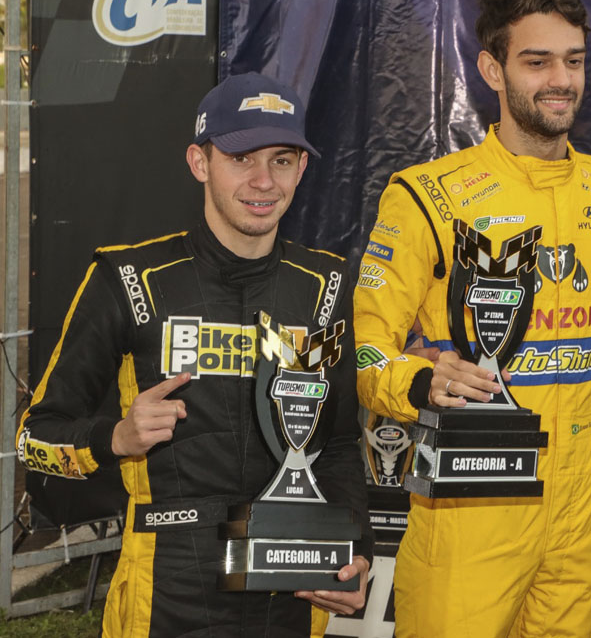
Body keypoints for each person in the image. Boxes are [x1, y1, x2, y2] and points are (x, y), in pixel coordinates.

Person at [16, 72, 372, 637]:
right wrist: (116, 438)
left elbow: (343, 444)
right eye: (240, 158)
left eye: (282, 160)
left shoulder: (324, 285)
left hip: (288, 576)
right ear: (199, 163)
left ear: (302, 170)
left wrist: (357, 550)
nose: (263, 181)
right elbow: (33, 439)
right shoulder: (127, 278)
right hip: (167, 585)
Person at [353, 0, 591, 636]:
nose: (561, 80)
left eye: (573, 61)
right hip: (471, 497)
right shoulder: (430, 195)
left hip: (582, 500)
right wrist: (422, 379)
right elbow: (367, 346)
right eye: (537, 61)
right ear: (492, 68)